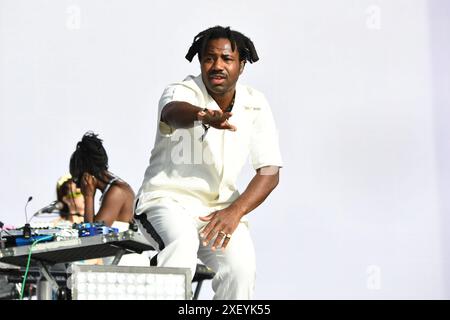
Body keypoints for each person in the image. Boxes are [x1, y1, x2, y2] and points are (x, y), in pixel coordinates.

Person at [134, 26, 282, 299]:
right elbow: (172, 113)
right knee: (182, 243)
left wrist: (235, 211)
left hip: (220, 211)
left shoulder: (255, 104)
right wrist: (204, 115)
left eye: (226, 59)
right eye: (209, 58)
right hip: (166, 202)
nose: (217, 66)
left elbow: (270, 171)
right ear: (200, 62)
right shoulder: (182, 92)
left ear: (242, 65)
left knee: (241, 271)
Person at [69, 132, 135, 228]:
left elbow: (92, 233)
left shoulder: (117, 192)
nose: (79, 187)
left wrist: (88, 197)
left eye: (77, 180)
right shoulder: (116, 188)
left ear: (86, 175)